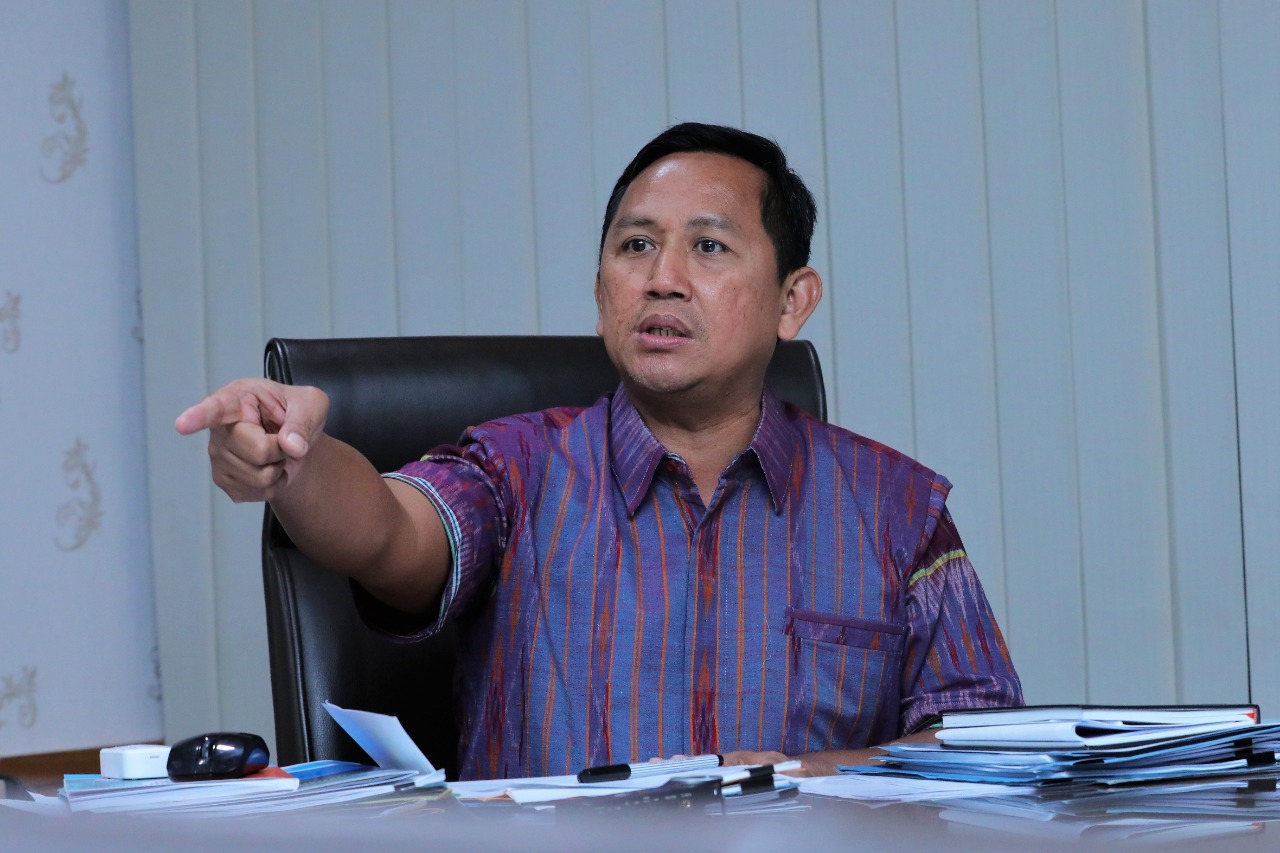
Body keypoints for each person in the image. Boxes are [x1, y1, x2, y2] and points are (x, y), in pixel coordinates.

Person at [177, 123, 1022, 781]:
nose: (662, 278)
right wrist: (296, 458)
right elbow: (387, 532)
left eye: (709, 246)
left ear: (791, 300)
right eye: (635, 246)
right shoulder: (514, 471)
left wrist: (800, 777)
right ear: (601, 294)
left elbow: (981, 746)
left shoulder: (895, 508)